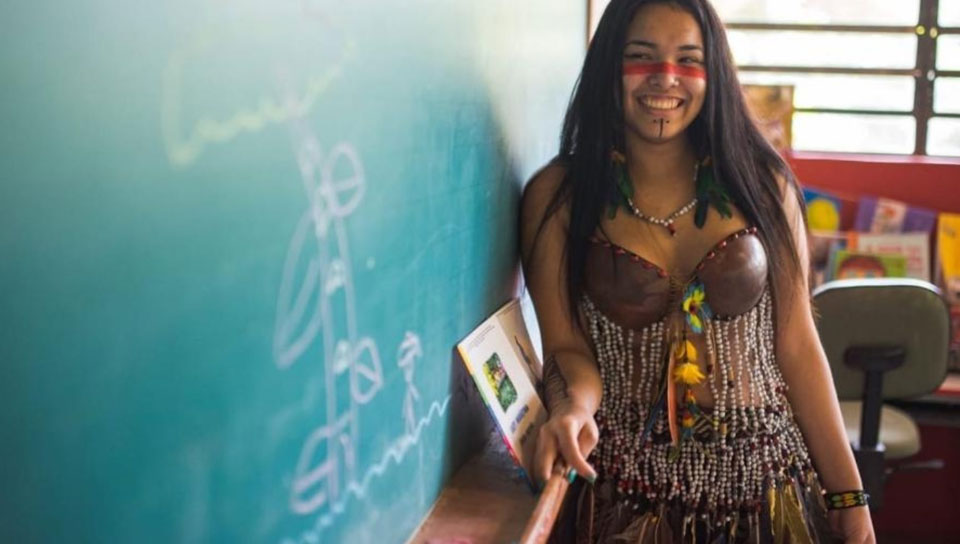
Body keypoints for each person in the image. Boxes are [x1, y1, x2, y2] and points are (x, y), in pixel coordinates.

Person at [519, 1, 876, 542]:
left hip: (768, 490)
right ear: (608, 66)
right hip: (624, 496)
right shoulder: (560, 197)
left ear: (714, 75)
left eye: (688, 59)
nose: (665, 78)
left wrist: (850, 499)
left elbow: (799, 345)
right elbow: (566, 348)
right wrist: (572, 413)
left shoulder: (764, 184)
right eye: (641, 57)